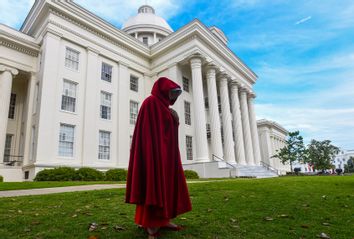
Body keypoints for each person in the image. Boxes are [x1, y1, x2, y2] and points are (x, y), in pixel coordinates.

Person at [125, 77, 192, 238]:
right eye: (170, 92)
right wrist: (152, 155)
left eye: (174, 94)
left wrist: (175, 120)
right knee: (153, 185)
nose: (172, 96)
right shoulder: (150, 103)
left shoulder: (165, 108)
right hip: (153, 154)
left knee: (166, 185)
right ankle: (151, 223)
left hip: (167, 155)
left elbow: (168, 132)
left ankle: (164, 219)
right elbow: (147, 133)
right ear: (162, 90)